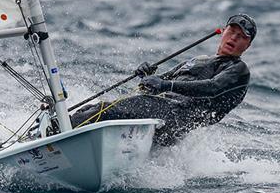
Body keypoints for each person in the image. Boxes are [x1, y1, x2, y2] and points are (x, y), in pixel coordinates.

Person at [70, 13, 257, 146]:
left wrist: (166, 84)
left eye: (241, 37)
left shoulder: (239, 70)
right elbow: (159, 82)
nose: (234, 38)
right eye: (231, 32)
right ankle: (59, 128)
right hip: (160, 110)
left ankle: (63, 132)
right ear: (223, 32)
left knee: (107, 110)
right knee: (96, 108)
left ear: (247, 45)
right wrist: (148, 75)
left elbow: (213, 87)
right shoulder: (198, 60)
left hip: (178, 117)